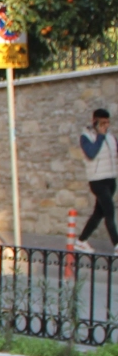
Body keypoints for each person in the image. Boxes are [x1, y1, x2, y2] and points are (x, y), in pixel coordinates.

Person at [76, 107, 117, 253]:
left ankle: (81, 241)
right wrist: (100, 136)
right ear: (95, 121)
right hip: (97, 180)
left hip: (111, 179)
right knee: (109, 212)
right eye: (102, 123)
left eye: (107, 123)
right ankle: (117, 244)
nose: (105, 126)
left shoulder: (111, 137)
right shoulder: (87, 136)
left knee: (98, 213)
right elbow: (91, 153)